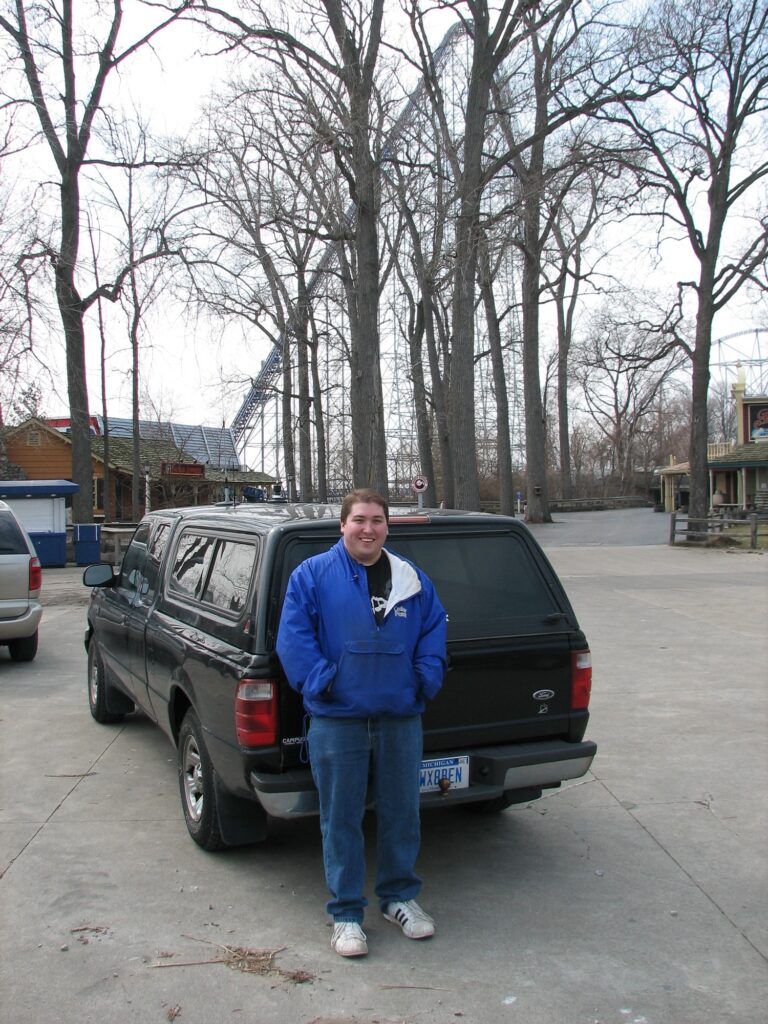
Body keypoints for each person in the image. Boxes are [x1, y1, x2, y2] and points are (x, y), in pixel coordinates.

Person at [276, 488, 447, 958]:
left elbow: (434, 630)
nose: (368, 529)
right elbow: (293, 638)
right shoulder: (312, 575)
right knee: (341, 818)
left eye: (376, 520)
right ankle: (346, 914)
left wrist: (423, 680)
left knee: (402, 812)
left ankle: (399, 897)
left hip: (399, 717)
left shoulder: (411, 578)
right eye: (359, 520)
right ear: (343, 525)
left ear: (387, 527)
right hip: (338, 719)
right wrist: (324, 682)